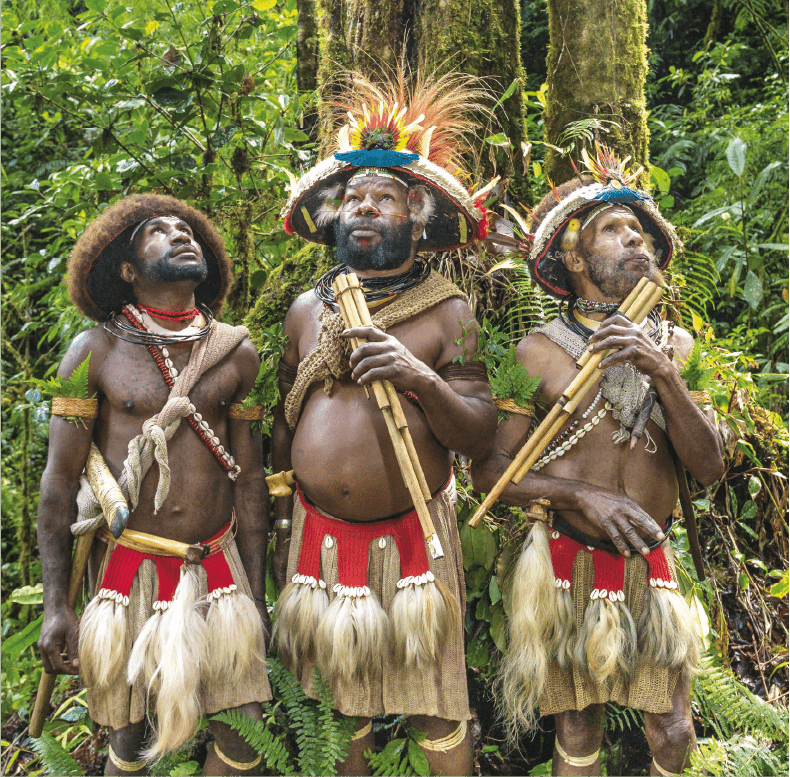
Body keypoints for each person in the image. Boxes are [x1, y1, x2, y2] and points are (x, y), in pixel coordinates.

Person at [270, 71, 497, 776]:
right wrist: (278, 520)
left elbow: (478, 433)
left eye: (385, 197)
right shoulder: (308, 312)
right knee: (341, 709)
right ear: (335, 217)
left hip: (412, 536)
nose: (365, 207)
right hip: (319, 540)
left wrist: (420, 375)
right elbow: (285, 418)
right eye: (353, 197)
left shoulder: (449, 310)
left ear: (418, 216)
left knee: (438, 702)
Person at [472, 147, 725, 777]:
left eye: (638, 232)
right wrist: (582, 497)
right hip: (566, 564)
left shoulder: (676, 345)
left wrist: (662, 371)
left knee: (672, 730)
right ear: (573, 256)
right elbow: (490, 477)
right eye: (612, 230)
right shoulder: (538, 353)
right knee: (578, 725)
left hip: (652, 562)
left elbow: (711, 467)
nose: (633, 240)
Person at [36, 194, 271, 775]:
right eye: (158, 232)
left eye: (187, 229)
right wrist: (54, 607)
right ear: (128, 269)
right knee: (128, 737)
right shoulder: (95, 352)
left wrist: (257, 594)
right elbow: (60, 486)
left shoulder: (237, 353)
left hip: (218, 569)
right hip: (127, 573)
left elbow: (250, 482)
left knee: (243, 732)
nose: (180, 233)